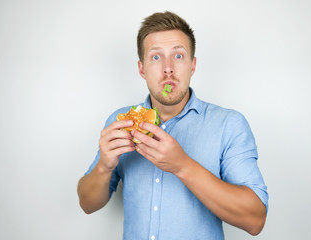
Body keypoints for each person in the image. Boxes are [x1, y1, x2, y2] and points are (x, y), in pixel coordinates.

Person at [77, 11, 268, 240]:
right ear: (141, 69)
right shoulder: (121, 122)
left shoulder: (229, 124)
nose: (168, 68)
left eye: (178, 56)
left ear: (192, 65)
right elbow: (87, 204)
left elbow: (255, 220)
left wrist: (182, 165)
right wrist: (104, 167)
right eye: (156, 57)